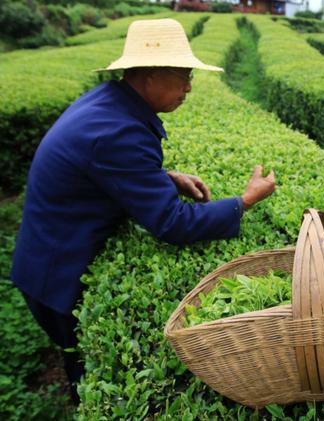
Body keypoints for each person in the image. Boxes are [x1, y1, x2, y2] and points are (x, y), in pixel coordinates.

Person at [10, 18, 276, 404]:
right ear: (149, 76)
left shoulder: (109, 102)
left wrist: (164, 177)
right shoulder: (119, 131)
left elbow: (98, 167)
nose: (188, 86)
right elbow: (172, 223)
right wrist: (245, 201)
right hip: (55, 274)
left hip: (43, 253)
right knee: (86, 377)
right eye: (183, 75)